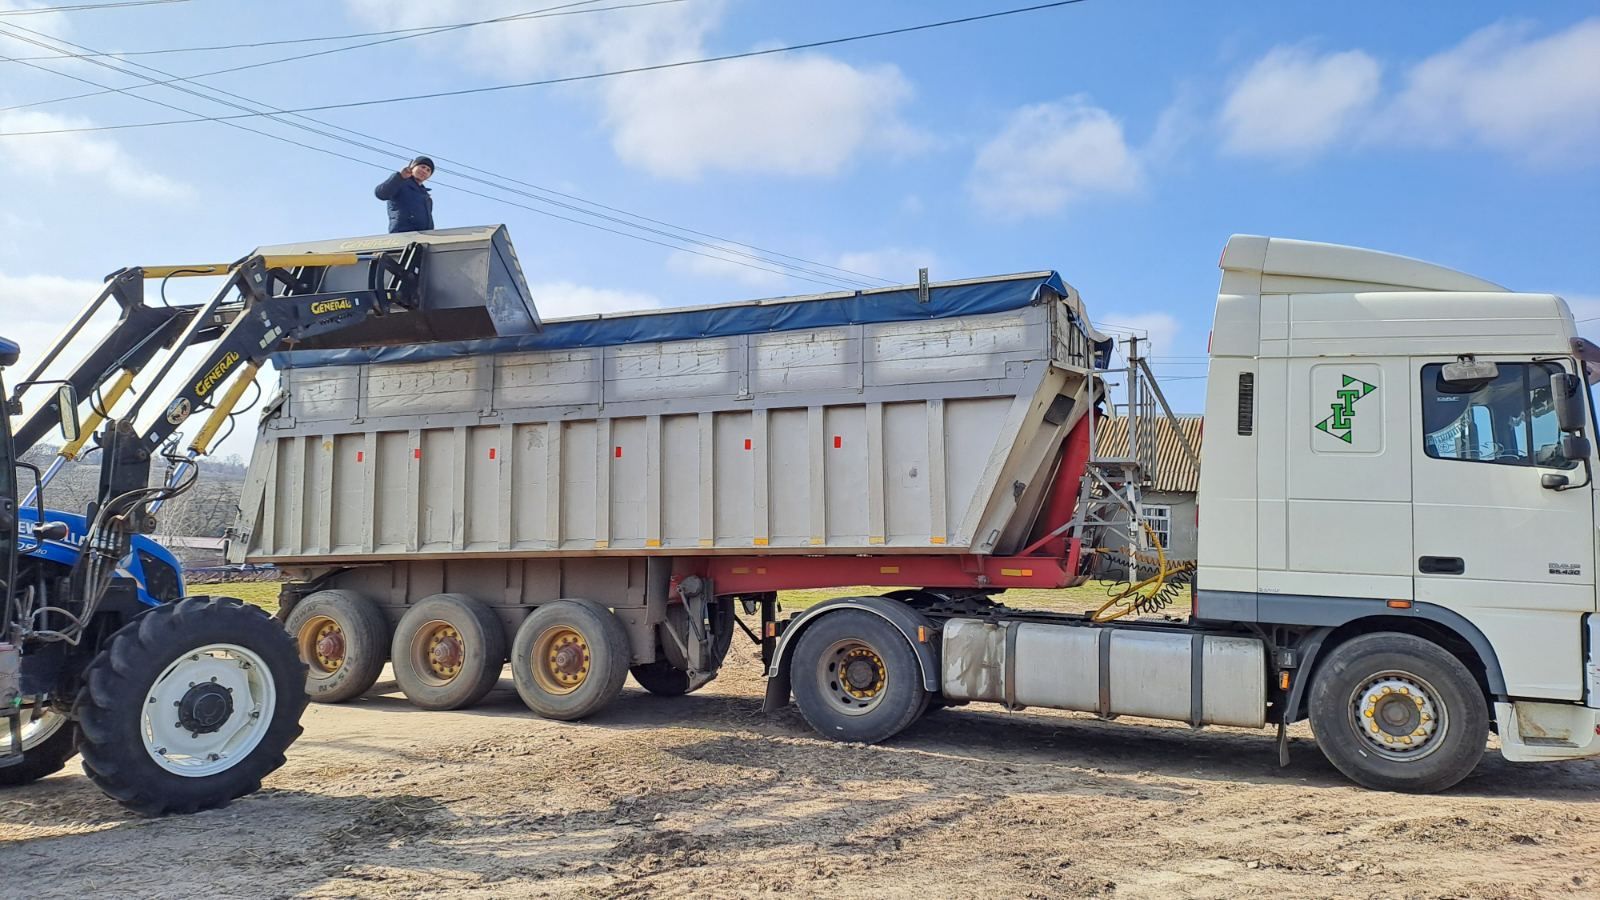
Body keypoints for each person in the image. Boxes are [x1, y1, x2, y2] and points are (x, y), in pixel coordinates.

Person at [374, 156, 435, 233]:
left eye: (428, 170)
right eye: (422, 167)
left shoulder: (426, 196)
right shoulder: (400, 182)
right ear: (413, 167)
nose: (425, 171)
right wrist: (400, 177)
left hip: (422, 237)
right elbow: (381, 194)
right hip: (403, 234)